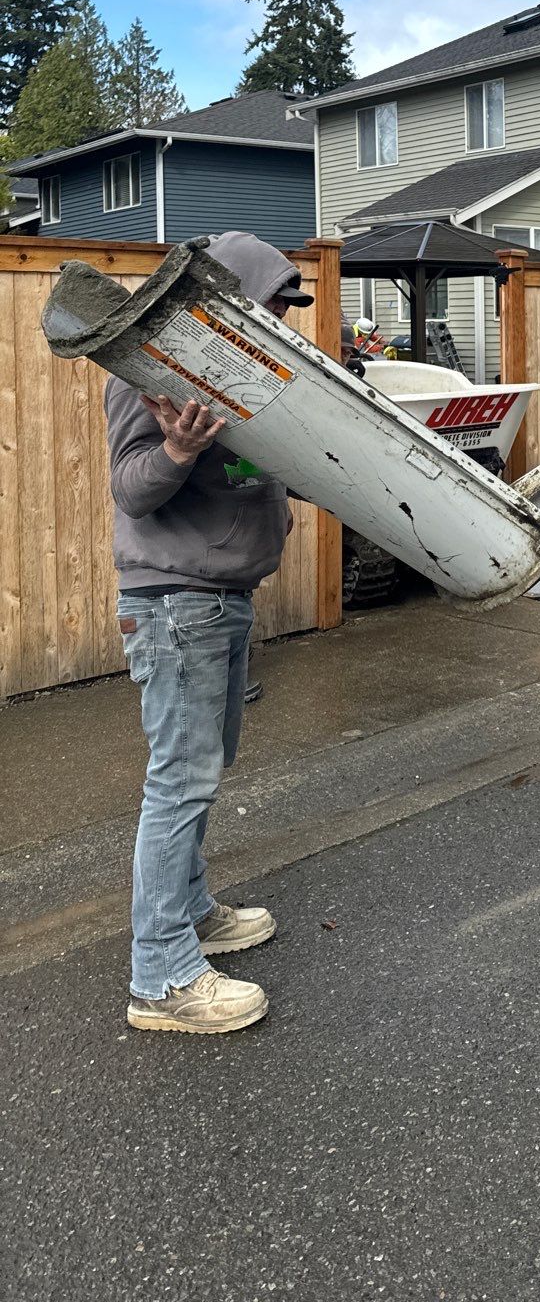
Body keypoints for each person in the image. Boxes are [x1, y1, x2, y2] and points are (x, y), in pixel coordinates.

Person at [108, 231, 313, 1035]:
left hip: (220, 597)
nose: (280, 321)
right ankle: (160, 977)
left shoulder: (245, 374)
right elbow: (132, 489)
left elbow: (258, 472)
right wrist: (177, 449)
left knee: (204, 766)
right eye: (269, 306)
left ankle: (189, 912)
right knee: (179, 780)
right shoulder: (151, 367)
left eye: (284, 310)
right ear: (226, 298)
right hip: (176, 601)